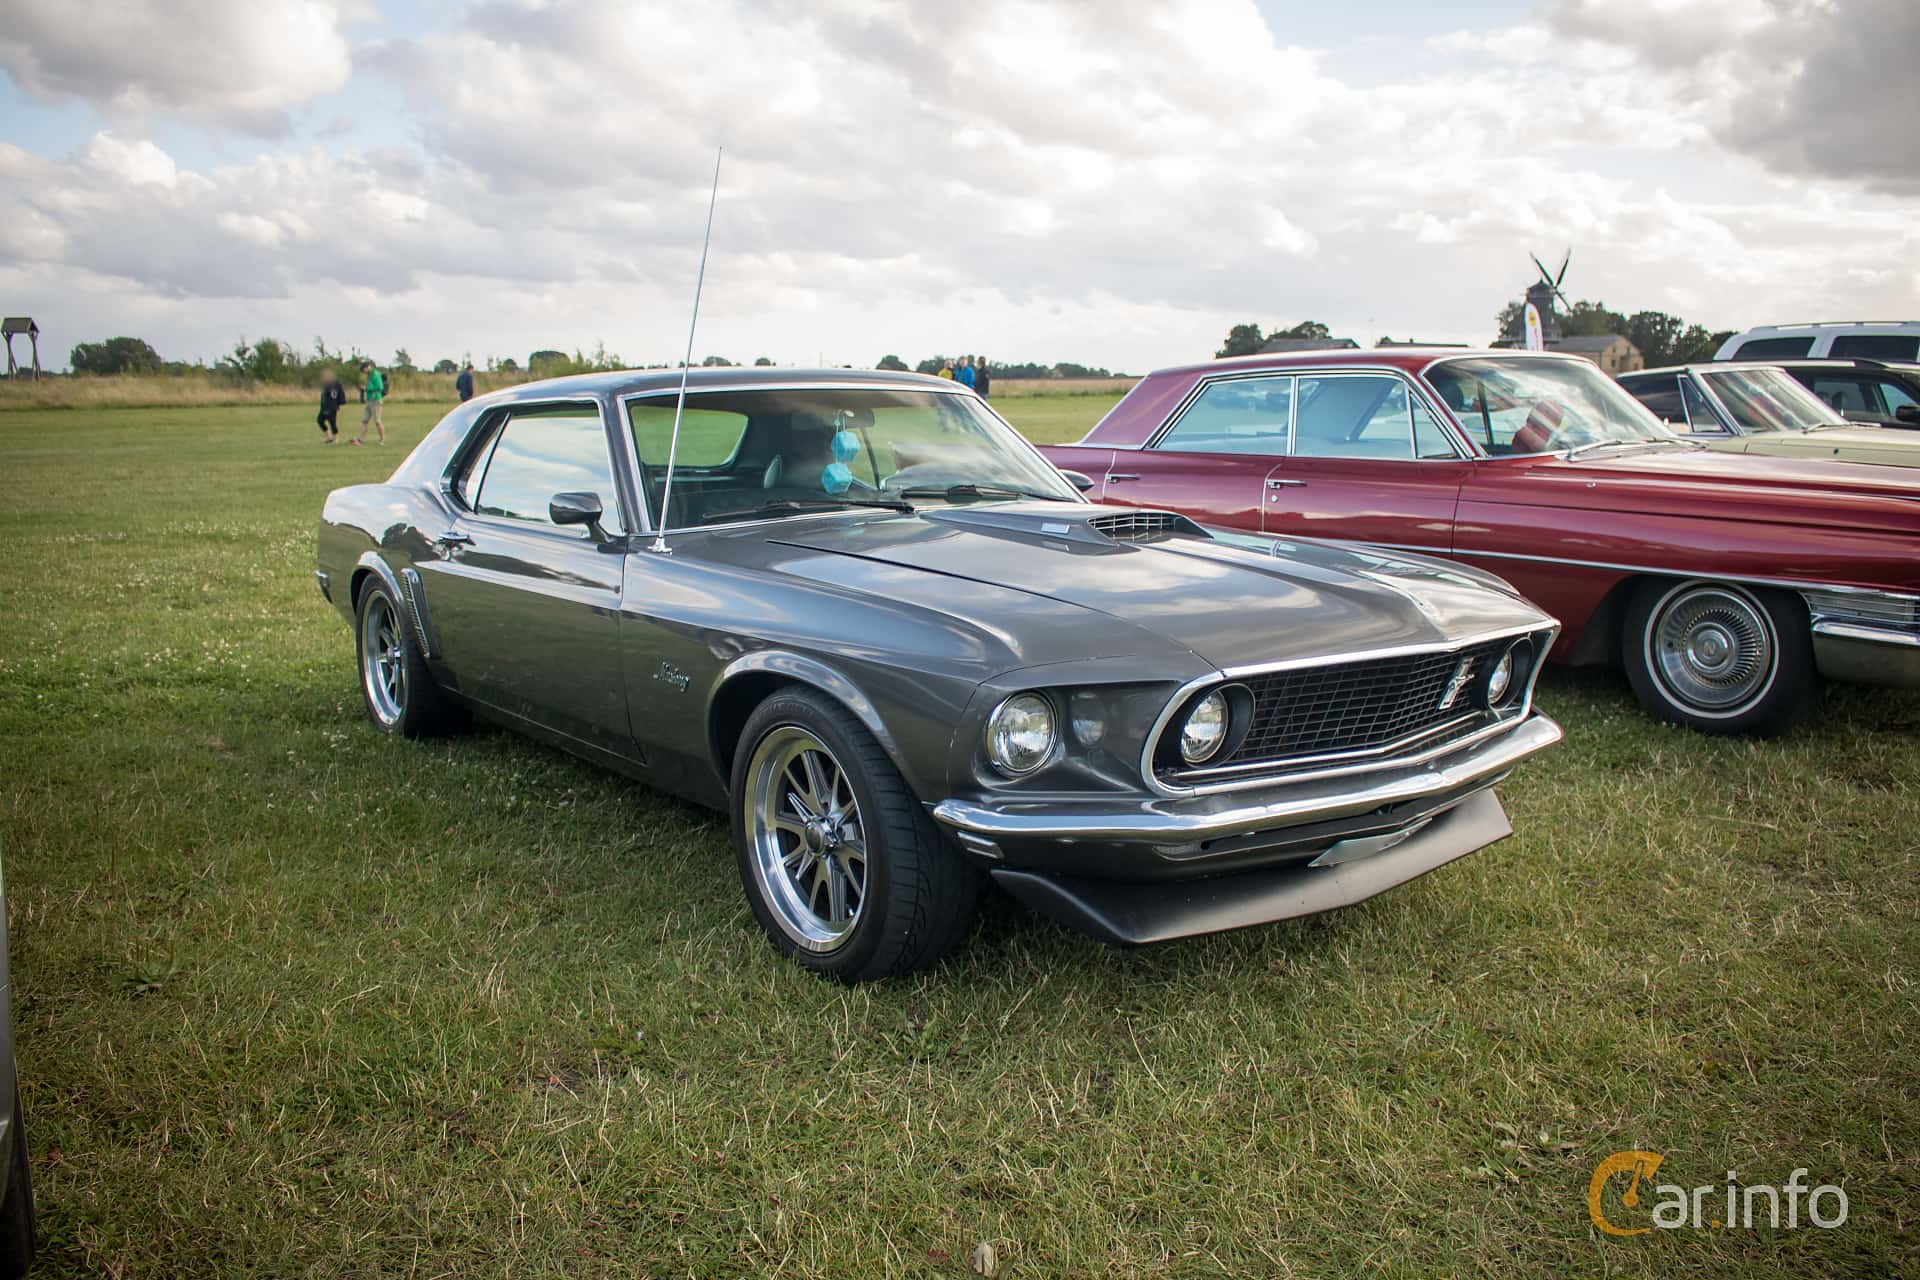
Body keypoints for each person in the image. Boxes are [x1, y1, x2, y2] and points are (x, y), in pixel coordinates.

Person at [351, 361, 386, 445]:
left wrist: (367, 389)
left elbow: (380, 387)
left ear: (368, 367)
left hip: (376, 400)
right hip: (369, 400)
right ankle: (360, 440)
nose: (363, 372)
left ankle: (382, 440)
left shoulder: (376, 375)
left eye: (364, 370)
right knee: (364, 420)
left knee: (377, 421)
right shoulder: (369, 376)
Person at [316, 369, 346, 443]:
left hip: (331, 407)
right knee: (320, 420)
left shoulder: (334, 385)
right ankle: (329, 437)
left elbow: (335, 397)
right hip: (324, 407)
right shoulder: (327, 384)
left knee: (332, 422)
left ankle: (335, 439)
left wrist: (335, 406)